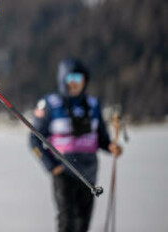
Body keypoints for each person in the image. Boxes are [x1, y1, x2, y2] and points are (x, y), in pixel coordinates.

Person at [30, 58, 123, 232]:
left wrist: (111, 146)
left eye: (78, 78)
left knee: (83, 223)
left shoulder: (93, 105)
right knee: (67, 222)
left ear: (85, 81)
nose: (74, 83)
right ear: (62, 80)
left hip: (89, 173)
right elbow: (34, 140)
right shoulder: (50, 104)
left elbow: (102, 138)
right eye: (69, 78)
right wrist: (51, 165)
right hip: (64, 172)